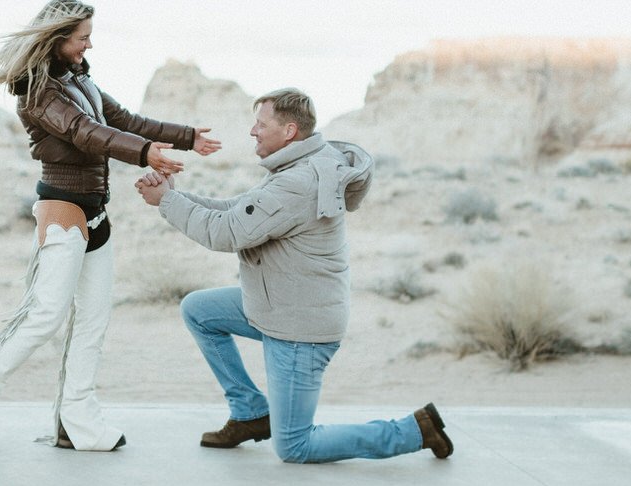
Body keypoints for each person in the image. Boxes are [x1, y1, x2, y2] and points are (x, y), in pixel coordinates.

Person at [0, 0, 221, 458]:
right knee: (42, 317)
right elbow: (86, 133)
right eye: (82, 37)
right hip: (63, 212)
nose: (89, 44)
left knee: (92, 321)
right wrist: (146, 153)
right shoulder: (40, 91)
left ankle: (77, 422)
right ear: (58, 37)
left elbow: (121, 120)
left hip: (97, 212)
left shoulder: (76, 78)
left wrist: (186, 136)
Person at [135, 88, 454, 464]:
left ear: (289, 131)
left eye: (261, 123)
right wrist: (177, 195)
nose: (252, 131)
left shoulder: (298, 182)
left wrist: (168, 203)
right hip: (279, 306)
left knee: (295, 446)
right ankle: (251, 413)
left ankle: (414, 430)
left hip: (300, 329)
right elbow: (238, 212)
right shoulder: (298, 166)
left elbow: (227, 233)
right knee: (198, 310)